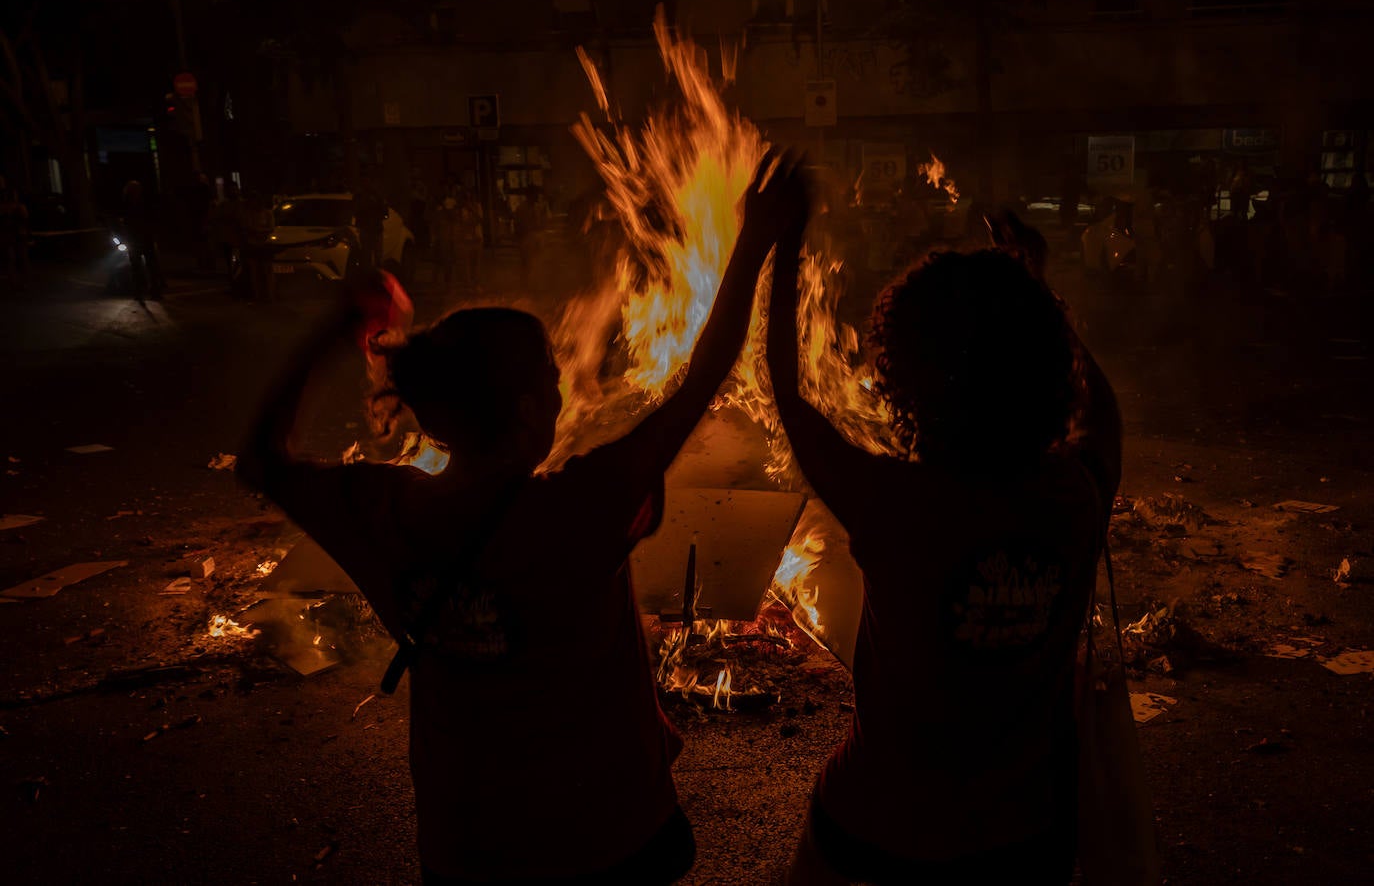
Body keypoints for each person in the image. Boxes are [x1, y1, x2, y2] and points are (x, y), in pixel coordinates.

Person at [235, 148, 809, 884]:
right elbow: (706, 373)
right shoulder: (577, 508)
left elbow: (261, 458)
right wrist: (759, 237)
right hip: (610, 837)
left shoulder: (382, 510)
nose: (563, 381)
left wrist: (334, 329)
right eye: (550, 372)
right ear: (530, 410)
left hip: (472, 845)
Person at [769, 205, 1122, 885]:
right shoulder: (1075, 495)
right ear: (1047, 367)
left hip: (875, 831)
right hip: (1026, 839)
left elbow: (787, 392)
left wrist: (781, 248)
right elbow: (1102, 415)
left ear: (906, 379)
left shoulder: (894, 500)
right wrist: (1039, 298)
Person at [121, 180, 164, 301]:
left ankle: (145, 291)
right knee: (144, 266)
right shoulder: (137, 204)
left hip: (140, 238)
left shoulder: (134, 204)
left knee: (142, 266)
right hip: (140, 238)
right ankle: (146, 291)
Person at [240, 191, 276, 302]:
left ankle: (270, 295)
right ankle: (257, 295)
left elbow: (271, 228)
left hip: (264, 245)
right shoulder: (249, 214)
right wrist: (256, 231)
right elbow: (247, 227)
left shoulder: (268, 213)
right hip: (253, 245)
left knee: (267, 271)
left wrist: (259, 231)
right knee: (254, 272)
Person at [354, 177, 387, 272]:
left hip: (374, 229)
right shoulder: (360, 196)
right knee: (368, 254)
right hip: (368, 229)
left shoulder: (376, 196)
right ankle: (371, 275)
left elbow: (384, 212)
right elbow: (356, 211)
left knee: (374, 255)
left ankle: (376, 275)